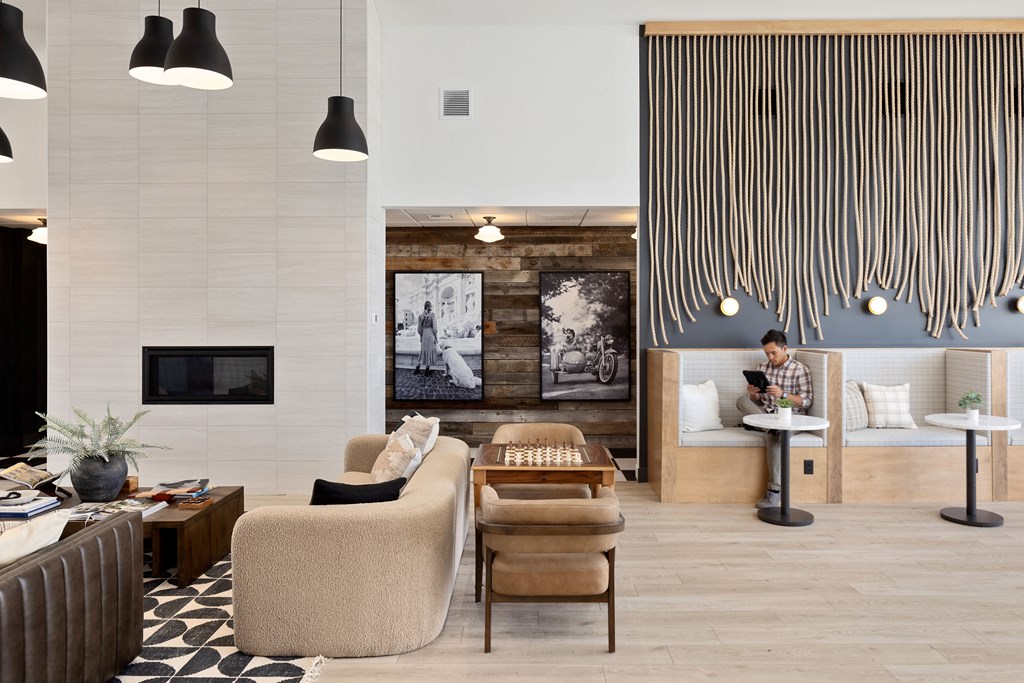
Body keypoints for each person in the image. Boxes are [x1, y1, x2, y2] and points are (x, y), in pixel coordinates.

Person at [736, 329, 813, 509]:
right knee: (742, 400)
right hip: (767, 415)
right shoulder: (763, 368)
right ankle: (767, 426)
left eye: (773, 353)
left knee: (774, 437)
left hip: (792, 419)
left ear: (785, 348)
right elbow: (759, 401)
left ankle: (774, 491)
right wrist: (753, 395)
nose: (770, 357)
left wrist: (783, 394)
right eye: (767, 353)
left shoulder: (800, 370)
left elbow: (806, 402)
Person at [414, 301, 440, 376]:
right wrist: (436, 337)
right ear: (430, 307)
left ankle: (417, 368)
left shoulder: (420, 316)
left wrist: (421, 337)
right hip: (430, 334)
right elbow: (434, 328)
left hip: (424, 334)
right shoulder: (432, 315)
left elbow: (419, 329)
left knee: (423, 351)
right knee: (429, 351)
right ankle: (427, 370)